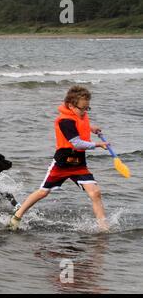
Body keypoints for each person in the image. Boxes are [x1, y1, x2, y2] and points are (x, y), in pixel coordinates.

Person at [9, 86, 109, 231]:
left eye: (88, 108)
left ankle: (103, 228)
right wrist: (98, 145)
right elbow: (77, 143)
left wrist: (91, 128)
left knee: (95, 193)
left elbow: (80, 125)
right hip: (62, 164)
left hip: (79, 164)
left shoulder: (80, 115)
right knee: (43, 192)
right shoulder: (65, 121)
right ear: (70, 105)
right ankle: (17, 216)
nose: (84, 112)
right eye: (82, 108)